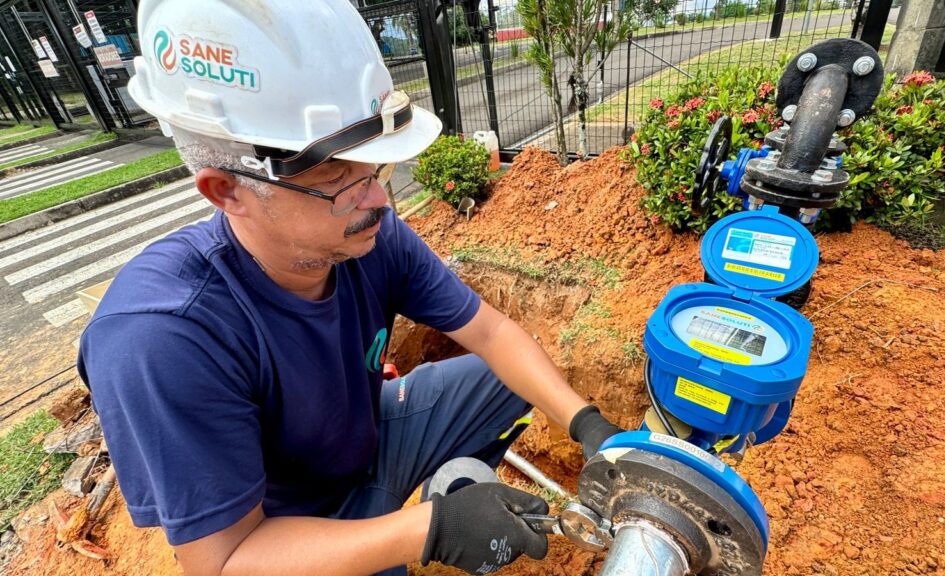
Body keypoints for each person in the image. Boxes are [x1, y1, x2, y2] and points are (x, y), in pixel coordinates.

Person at [77, 1, 622, 575]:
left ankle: (446, 497)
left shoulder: (364, 234)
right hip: (289, 531)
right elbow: (224, 561)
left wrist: (590, 426)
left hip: (368, 437)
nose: (380, 199)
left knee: (502, 379)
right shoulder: (162, 338)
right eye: (338, 178)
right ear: (226, 191)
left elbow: (489, 331)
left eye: (375, 168)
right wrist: (426, 531)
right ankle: (405, 531)